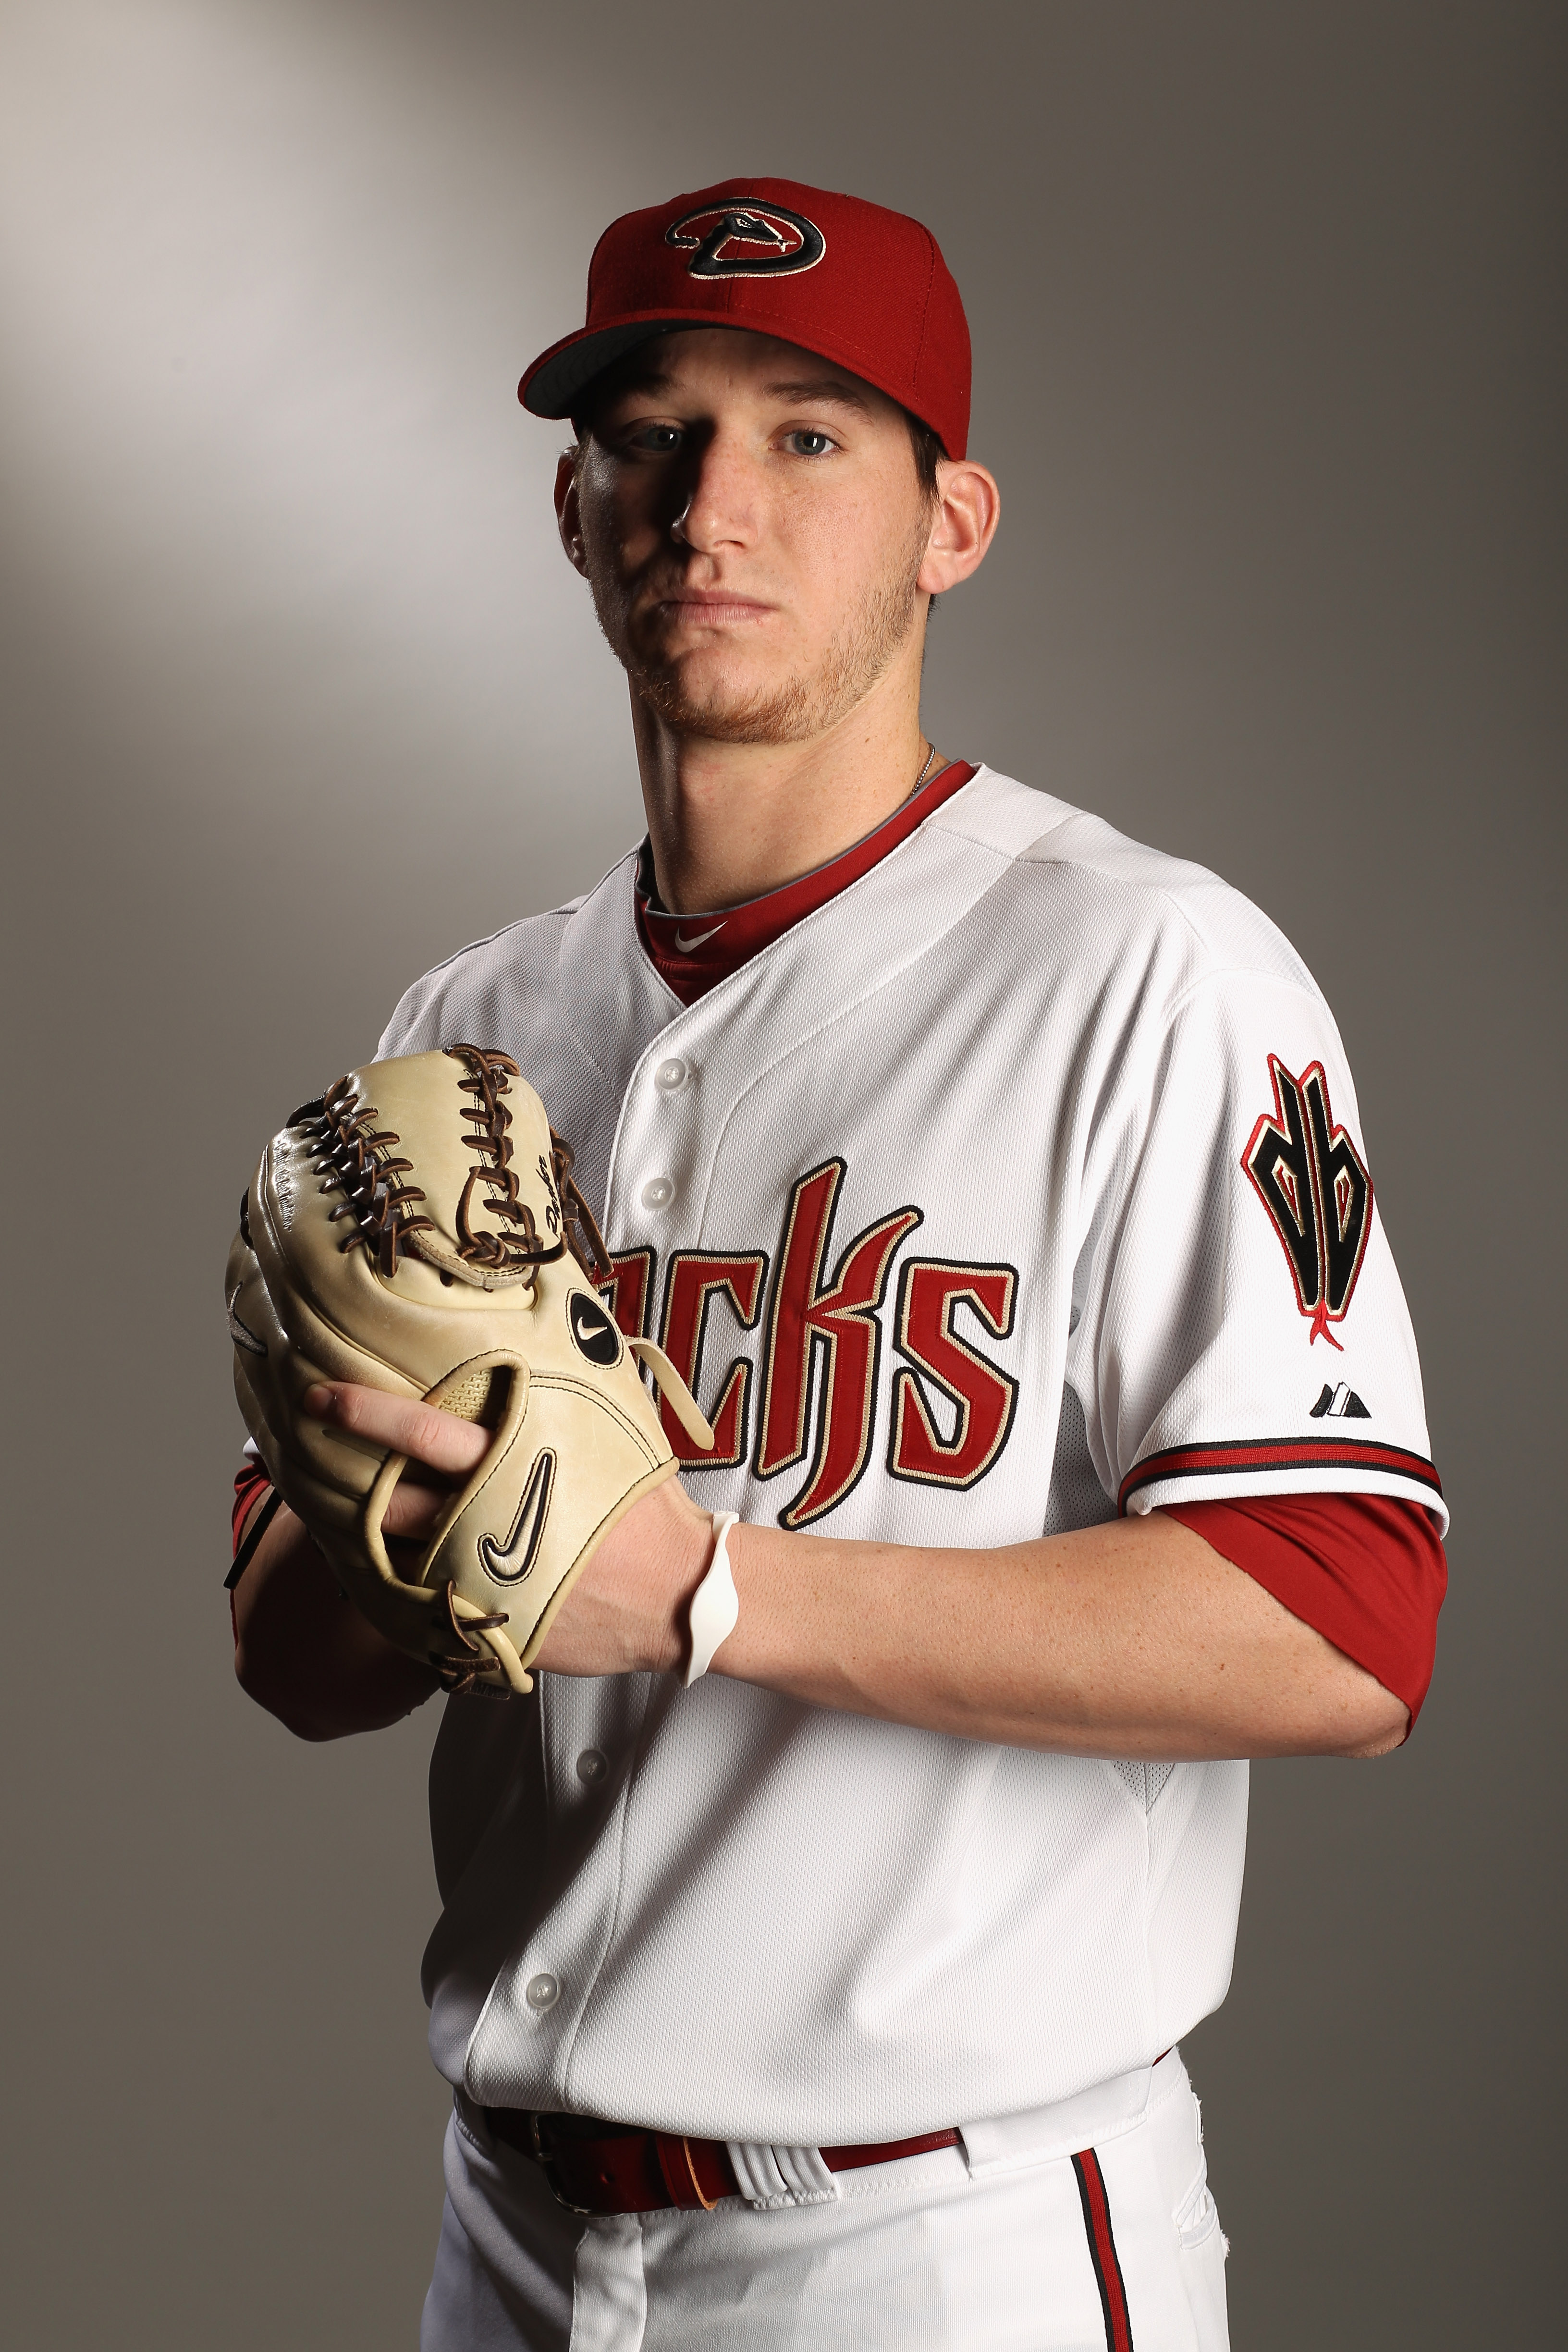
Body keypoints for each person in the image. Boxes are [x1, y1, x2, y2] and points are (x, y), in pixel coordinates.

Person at [228, 179, 1447, 2352]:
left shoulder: (1149, 974)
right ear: (575, 508)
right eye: (653, 431)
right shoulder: (462, 1031)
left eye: (810, 436)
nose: (716, 501)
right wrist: (379, 1514)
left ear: (950, 521)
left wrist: (699, 1586)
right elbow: (295, 1666)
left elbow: (1345, 1622)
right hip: (503, 2235)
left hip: (934, 2249)